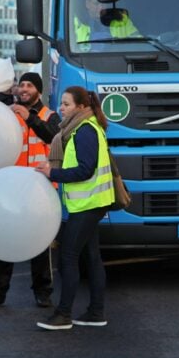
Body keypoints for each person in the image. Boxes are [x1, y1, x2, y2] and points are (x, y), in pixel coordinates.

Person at [35, 86, 115, 330]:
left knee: (68, 258)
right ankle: (96, 312)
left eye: (67, 104)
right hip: (91, 202)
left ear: (81, 107)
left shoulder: (84, 131)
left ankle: (64, 314)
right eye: (61, 103)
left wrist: (53, 172)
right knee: (92, 257)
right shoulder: (85, 128)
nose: (62, 108)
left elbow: (85, 169)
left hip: (88, 204)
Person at [0, 72, 62, 310]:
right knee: (3, 238)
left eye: (30, 85)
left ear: (38, 90)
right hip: (10, 186)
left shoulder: (50, 116)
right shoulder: (7, 113)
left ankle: (43, 292)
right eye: (22, 85)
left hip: (39, 188)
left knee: (40, 241)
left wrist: (31, 118)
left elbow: (54, 138)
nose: (24, 88)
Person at [73, 0, 140, 50]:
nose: (101, 7)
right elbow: (71, 51)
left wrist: (120, 45)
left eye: (103, 3)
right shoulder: (76, 23)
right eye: (96, 4)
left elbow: (140, 43)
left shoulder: (122, 20)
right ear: (87, 4)